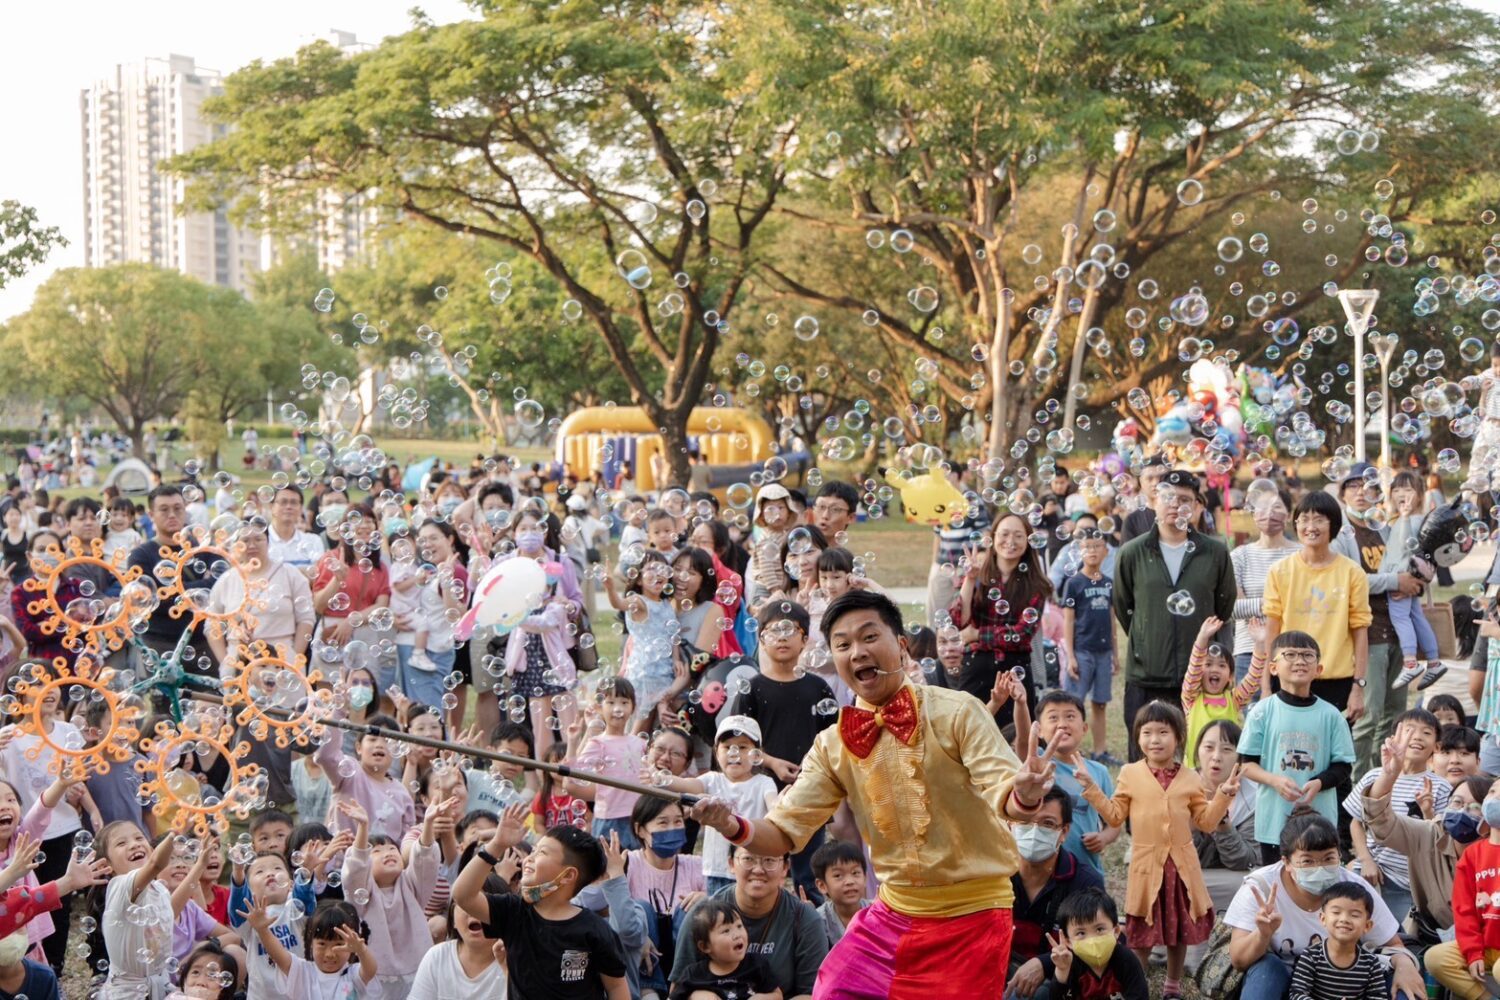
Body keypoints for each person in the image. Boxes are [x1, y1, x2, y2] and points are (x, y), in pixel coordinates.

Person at [690, 590, 1060, 999]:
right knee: (833, 990)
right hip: (894, 910)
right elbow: (781, 833)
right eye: (843, 644)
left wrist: (1025, 794)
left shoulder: (957, 712)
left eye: (869, 637)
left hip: (973, 913)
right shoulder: (834, 743)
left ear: (901, 646)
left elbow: (1006, 792)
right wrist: (731, 824)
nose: (857, 652)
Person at [1071, 701, 1236, 998]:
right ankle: (1134, 986)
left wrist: (1222, 796)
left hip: (1182, 870)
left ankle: (1173, 985)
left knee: (1179, 931)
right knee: (1142, 935)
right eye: (1147, 733)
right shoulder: (1130, 774)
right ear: (1137, 738)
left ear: (1179, 737)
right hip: (1147, 869)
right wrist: (1091, 787)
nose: (1155, 740)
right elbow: (1114, 816)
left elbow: (1205, 822)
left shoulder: (1191, 778)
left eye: (1163, 732)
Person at [1221, 809, 1424, 1000]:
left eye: (1328, 858)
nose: (1319, 868)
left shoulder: (1354, 889)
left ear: (1340, 855)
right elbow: (1239, 960)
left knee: (1404, 985)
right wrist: (1263, 934)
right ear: (1286, 862)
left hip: (1340, 983)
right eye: (1307, 861)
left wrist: (1404, 965)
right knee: (1267, 968)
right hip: (1281, 982)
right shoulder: (1261, 888)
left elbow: (1392, 945)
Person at [1113, 469, 1236, 760]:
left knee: (1196, 760)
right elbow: (1123, 606)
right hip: (1145, 675)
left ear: (1196, 506)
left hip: (1197, 677)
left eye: (1184, 499)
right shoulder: (1132, 552)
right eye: (1168, 497)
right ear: (1154, 501)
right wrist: (1149, 636)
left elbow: (1224, 607)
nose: (1175, 505)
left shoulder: (1215, 552)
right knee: (1144, 760)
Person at [452, 808, 631, 1000]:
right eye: (534, 850)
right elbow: (463, 895)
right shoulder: (513, 911)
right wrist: (497, 844)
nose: (529, 858)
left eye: (542, 853)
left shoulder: (594, 930)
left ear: (568, 875)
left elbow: (616, 987)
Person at [1238, 630, 1356, 863]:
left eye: (1307, 655)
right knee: (1278, 878)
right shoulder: (1262, 712)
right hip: (1274, 822)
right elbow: (1246, 765)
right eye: (1290, 654)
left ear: (1318, 669)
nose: (1300, 661)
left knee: (1317, 876)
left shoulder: (1332, 715)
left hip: (1319, 822)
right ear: (1273, 667)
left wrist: (1319, 782)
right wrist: (1275, 780)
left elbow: (1343, 767)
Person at [1361, 729, 1490, 939]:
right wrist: (1390, 774)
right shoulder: (1429, 835)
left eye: (1474, 807)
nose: (1461, 812)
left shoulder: (1494, 849)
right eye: (1456, 803)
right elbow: (1381, 822)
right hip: (1433, 939)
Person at [1332, 473, 1419, 777]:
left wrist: (1414, 579)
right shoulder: (1340, 535)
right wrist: (1396, 581)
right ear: (1343, 494)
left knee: (1395, 715)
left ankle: (1383, 780)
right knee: (1368, 715)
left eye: (1367, 487)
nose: (1360, 492)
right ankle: (1355, 782)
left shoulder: (1384, 529)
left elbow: (1405, 561)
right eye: (1353, 487)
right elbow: (1351, 579)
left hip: (1397, 629)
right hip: (1368, 633)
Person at [1262, 489, 1372, 717]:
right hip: (1287, 678)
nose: (1310, 527)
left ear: (1334, 525)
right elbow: (1271, 633)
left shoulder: (1352, 573)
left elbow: (1360, 633)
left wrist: (1358, 687)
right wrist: (1265, 687)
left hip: (1337, 681)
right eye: (1304, 519)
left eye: (1319, 520)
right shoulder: (1280, 571)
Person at [667, 845, 827, 998]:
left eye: (769, 860)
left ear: (785, 867)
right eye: (748, 859)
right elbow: (677, 989)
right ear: (731, 863)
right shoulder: (703, 916)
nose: (758, 869)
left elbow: (813, 995)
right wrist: (694, 996)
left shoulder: (805, 919)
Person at [1343, 707, 1449, 921]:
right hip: (1369, 871)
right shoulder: (1374, 776)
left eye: (1426, 732)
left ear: (1436, 747)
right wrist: (1365, 859)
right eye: (1409, 730)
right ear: (1393, 739)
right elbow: (1356, 822)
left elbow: (1439, 840)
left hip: (1406, 882)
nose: (1417, 737)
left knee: (1398, 932)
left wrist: (1428, 811)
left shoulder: (1441, 787)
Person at [950, 512, 1052, 730]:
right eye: (1004, 534)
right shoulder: (976, 575)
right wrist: (970, 579)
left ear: (1028, 542)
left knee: (1014, 738)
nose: (1010, 541)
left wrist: (977, 634)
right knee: (968, 734)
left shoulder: (1037, 585)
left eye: (1018, 536)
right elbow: (959, 621)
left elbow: (1021, 635)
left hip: (1015, 672)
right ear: (993, 537)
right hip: (976, 667)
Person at [656, 716, 778, 896]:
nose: (734, 753)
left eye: (743, 747)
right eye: (727, 747)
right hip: (716, 868)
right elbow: (687, 785)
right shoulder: (712, 780)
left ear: (757, 754)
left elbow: (774, 805)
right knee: (718, 911)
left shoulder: (764, 783)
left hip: (750, 868)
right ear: (716, 752)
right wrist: (659, 777)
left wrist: (781, 805)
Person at [1005, 787, 1105, 999]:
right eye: (1025, 821)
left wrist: (1045, 964)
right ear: (1010, 824)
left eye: (1047, 824)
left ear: (1064, 831)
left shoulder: (1085, 883)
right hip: (999, 966)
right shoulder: (993, 875)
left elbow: (1096, 946)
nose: (1034, 832)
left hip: (1059, 978)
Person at [1425, 779, 1500, 998]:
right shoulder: (1473, 854)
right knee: (1435, 958)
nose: (1495, 798)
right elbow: (1464, 909)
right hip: (1484, 944)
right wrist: (1473, 952)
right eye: (1492, 792)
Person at [1383, 471, 1445, 691]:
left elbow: (1405, 544)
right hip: (1409, 575)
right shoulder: (1408, 519)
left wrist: (1405, 518)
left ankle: (1410, 662)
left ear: (1419, 495)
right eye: (1397, 489)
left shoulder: (1413, 520)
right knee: (1417, 618)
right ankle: (1434, 662)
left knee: (1400, 617)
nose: (1402, 494)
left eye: (1408, 489)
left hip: (1401, 576)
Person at [1058, 529, 1116, 763]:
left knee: (1100, 703)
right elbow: (1068, 621)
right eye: (1087, 546)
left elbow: (1111, 619)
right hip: (1082, 651)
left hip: (1104, 652)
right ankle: (1071, 752)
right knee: (1073, 704)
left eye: (1097, 546)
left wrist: (1115, 654)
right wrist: (1070, 656)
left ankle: (1100, 751)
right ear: (1079, 551)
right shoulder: (1074, 583)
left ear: (1106, 551)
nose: (1092, 551)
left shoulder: (1109, 583)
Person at [1230, 485, 1296, 686]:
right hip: (1250, 651)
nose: (1269, 513)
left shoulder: (1301, 554)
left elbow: (1305, 603)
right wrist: (1277, 604)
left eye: (1276, 507)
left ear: (1288, 515)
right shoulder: (1239, 556)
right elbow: (1233, 608)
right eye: (1262, 507)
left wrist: (1253, 605)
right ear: (1253, 513)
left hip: (1294, 649)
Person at [1182, 615, 1265, 767]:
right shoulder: (1191, 697)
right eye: (1208, 664)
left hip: (1227, 769)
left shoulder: (1234, 699)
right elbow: (1194, 668)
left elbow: (1254, 678)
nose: (1215, 669)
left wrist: (1260, 644)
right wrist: (1202, 638)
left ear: (1230, 676)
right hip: (1195, 771)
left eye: (1222, 665)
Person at [1286, 882, 1388, 1000]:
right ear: (1323, 919)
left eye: (1354, 915)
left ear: (1367, 925)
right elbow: (1296, 994)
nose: (1344, 919)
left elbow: (1379, 998)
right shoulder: (1311, 956)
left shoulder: (1371, 963)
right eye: (1336, 913)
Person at [1044, 887, 1148, 1000]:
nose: (1092, 940)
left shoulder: (1126, 960)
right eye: (1081, 933)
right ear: (1068, 941)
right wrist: (1062, 971)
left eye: (1099, 929)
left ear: (1116, 931)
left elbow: (1140, 996)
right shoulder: (1069, 963)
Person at [668, 898, 779, 1000]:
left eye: (739, 926)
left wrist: (761, 998)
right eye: (726, 931)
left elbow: (778, 995)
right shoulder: (693, 975)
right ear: (705, 946)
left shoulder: (756, 965)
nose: (737, 935)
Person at [408, 900, 508, 999]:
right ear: (453, 920)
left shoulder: (513, 961)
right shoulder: (437, 957)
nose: (475, 911)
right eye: (466, 905)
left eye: (485, 903)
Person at [810, 840, 869, 948]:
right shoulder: (819, 920)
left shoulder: (876, 913)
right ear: (822, 885)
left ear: (865, 878)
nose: (850, 881)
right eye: (838, 875)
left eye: (855, 873)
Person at [1462, 338, 1500, 493]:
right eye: (1495, 365)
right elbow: (1477, 380)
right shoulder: (1489, 375)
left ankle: (1498, 481)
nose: (1498, 370)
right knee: (1478, 450)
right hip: (1488, 425)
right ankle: (1474, 478)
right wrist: (1467, 383)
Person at [264, 485, 326, 577]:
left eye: (293, 502)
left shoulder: (313, 541)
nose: (289, 506)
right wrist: (302, 572)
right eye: (283, 502)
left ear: (301, 509)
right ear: (271, 506)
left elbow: (317, 577)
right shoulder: (260, 542)